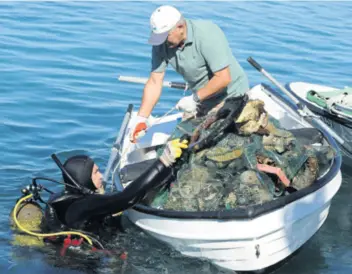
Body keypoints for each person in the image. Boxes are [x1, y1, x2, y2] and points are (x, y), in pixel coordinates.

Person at [11, 138, 188, 247]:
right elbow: (126, 198)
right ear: (82, 178)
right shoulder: (81, 205)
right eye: (96, 172)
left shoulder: (67, 198)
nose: (102, 176)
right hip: (79, 264)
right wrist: (163, 161)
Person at [130, 5, 249, 143]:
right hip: (202, 101)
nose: (162, 41)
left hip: (231, 96)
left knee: (209, 142)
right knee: (182, 141)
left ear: (180, 26)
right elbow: (155, 81)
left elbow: (223, 78)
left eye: (165, 36)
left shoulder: (207, 34)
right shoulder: (161, 43)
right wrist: (141, 118)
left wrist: (194, 99)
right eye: (158, 37)